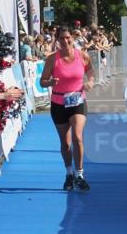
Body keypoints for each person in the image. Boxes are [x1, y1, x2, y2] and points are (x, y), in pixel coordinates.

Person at [39, 26, 95, 191]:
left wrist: (90, 82)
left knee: (78, 137)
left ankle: (79, 175)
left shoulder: (82, 55)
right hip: (59, 103)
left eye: (68, 37)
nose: (65, 41)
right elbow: (42, 81)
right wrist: (50, 82)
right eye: (62, 38)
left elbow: (90, 71)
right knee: (65, 143)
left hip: (78, 101)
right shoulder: (52, 59)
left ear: (73, 38)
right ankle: (69, 173)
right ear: (57, 40)